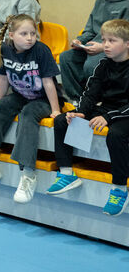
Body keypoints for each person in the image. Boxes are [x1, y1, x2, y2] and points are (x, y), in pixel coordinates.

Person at [0, 15, 61, 203]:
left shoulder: (41, 51)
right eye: (24, 34)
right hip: (20, 94)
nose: (29, 38)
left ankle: (28, 174)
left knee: (27, 115)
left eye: (33, 34)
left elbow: (48, 82)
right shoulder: (4, 50)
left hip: (42, 98)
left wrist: (56, 110)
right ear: (11, 35)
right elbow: (3, 79)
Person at [47, 19, 129, 215]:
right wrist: (81, 111)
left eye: (112, 40)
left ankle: (119, 188)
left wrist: (108, 117)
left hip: (125, 113)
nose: (106, 45)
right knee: (63, 120)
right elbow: (90, 93)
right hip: (108, 110)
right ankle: (67, 173)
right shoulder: (103, 64)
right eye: (104, 40)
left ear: (127, 44)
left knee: (116, 134)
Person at [59, 0, 129, 99]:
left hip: (113, 50)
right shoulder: (99, 2)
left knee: (92, 64)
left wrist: (102, 47)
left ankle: (96, 99)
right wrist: (81, 41)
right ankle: (78, 99)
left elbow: (125, 38)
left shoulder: (127, 5)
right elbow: (90, 30)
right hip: (93, 47)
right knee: (66, 58)